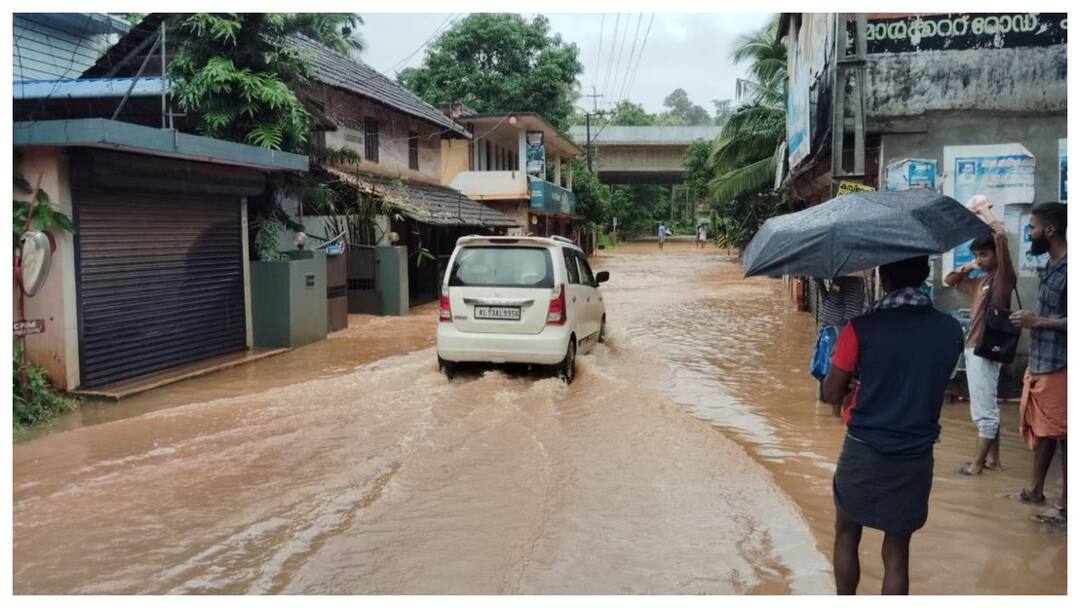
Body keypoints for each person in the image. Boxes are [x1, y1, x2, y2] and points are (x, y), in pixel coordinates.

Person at [823, 256, 964, 595]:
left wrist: (854, 386)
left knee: (846, 534)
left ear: (883, 278)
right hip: (915, 454)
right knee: (898, 552)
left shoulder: (860, 329)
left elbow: (830, 393)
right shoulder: (950, 329)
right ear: (923, 276)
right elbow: (929, 381)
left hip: (863, 448)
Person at [1009, 202, 1067, 523]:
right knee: (1044, 432)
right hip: (1041, 362)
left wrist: (1038, 322)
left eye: (1032, 228)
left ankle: (1066, 505)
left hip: (1062, 364)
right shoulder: (1051, 266)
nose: (1029, 234)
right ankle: (1035, 490)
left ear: (1050, 230)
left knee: (1066, 435)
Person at [944, 224, 1016, 476]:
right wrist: (971, 265)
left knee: (983, 410)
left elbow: (1003, 244)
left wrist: (994, 228)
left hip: (983, 348)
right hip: (974, 347)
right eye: (977, 255)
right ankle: (993, 460)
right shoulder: (981, 280)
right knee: (988, 405)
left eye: (984, 254)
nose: (980, 259)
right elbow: (949, 280)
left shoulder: (1002, 279)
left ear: (996, 254)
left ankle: (976, 466)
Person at [811, 275, 867, 410]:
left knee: (837, 380)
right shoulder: (838, 279)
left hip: (837, 333)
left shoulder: (853, 281)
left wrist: (841, 342)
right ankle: (828, 415)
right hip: (828, 332)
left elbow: (851, 315)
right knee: (824, 374)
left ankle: (836, 417)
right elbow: (828, 302)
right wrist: (820, 284)